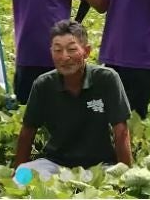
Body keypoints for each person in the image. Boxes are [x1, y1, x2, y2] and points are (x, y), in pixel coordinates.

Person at [13, 20, 132, 181]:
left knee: (108, 184)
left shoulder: (107, 79)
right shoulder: (43, 84)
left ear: (87, 51)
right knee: (22, 176)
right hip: (55, 164)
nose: (64, 57)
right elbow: (27, 132)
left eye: (72, 49)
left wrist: (126, 175)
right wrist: (18, 169)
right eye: (57, 50)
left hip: (99, 166)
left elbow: (121, 132)